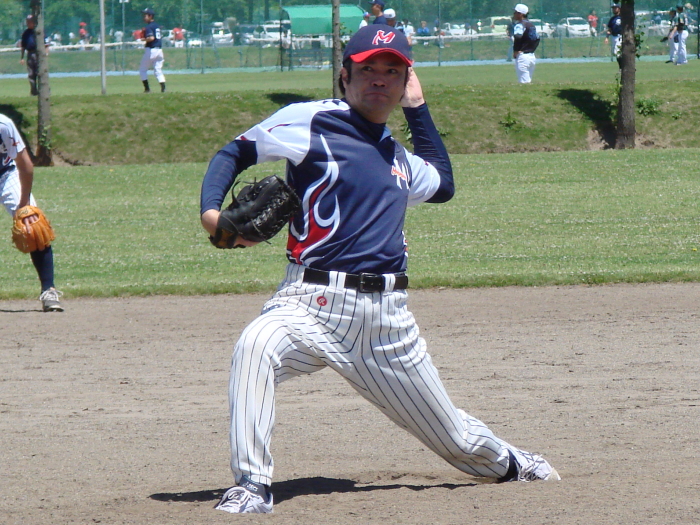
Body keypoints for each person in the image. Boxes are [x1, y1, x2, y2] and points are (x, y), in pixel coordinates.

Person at [200, 23, 559, 515]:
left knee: (455, 438)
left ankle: (513, 463)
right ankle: (252, 485)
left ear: (404, 82)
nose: (379, 79)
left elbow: (444, 184)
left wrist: (419, 107)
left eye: (392, 71)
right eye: (368, 68)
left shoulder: (398, 158)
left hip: (387, 324)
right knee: (255, 347)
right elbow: (234, 152)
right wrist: (211, 213)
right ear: (345, 76)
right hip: (309, 304)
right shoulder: (312, 120)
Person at [0, 113, 63, 312]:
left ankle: (49, 290)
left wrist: (24, 204)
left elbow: (24, 163)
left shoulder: (3, 124)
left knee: (32, 225)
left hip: (6, 174)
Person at [139, 8, 166, 93]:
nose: (144, 17)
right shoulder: (157, 25)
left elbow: (151, 38)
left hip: (151, 50)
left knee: (142, 70)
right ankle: (163, 89)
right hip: (159, 50)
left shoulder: (149, 27)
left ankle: (147, 89)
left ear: (150, 16)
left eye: (145, 15)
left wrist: (143, 39)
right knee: (158, 70)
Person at [512, 3, 539, 84]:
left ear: (520, 14)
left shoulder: (520, 25)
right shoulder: (531, 25)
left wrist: (516, 50)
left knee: (524, 83)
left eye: (515, 12)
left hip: (522, 56)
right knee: (528, 81)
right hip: (531, 56)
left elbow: (517, 37)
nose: (514, 14)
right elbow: (537, 39)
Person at [19, 15, 39, 96]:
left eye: (29, 21)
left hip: (38, 53)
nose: (28, 23)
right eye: (27, 22)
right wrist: (22, 57)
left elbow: (46, 44)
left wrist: (46, 54)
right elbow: (23, 46)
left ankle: (43, 90)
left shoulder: (38, 31)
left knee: (39, 72)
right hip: (30, 53)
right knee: (31, 74)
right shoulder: (26, 33)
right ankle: (34, 91)